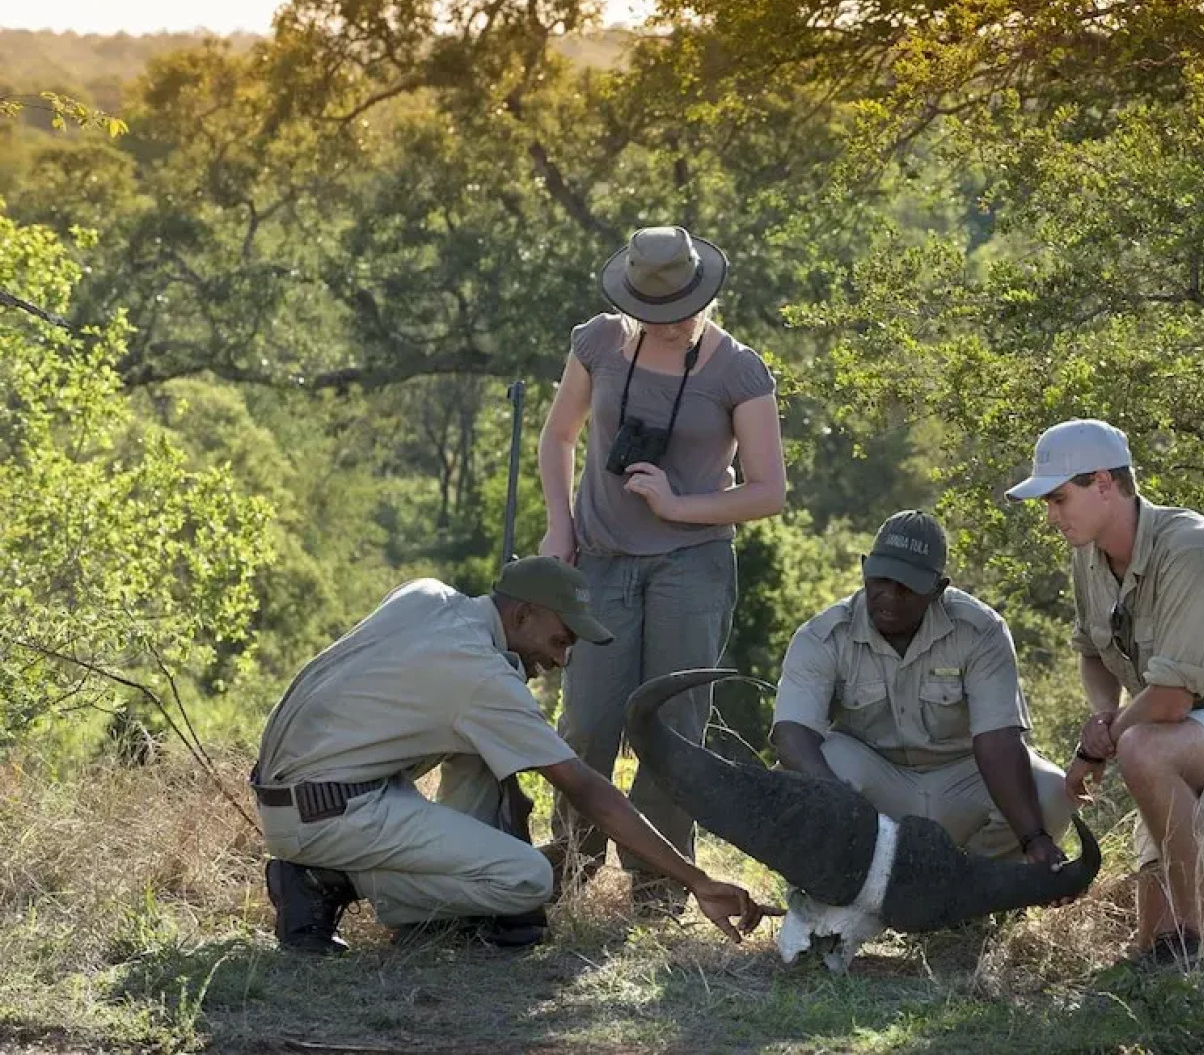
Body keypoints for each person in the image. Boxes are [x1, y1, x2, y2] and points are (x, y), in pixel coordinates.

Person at [253, 556, 778, 955]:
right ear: (523, 613)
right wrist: (696, 879)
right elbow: (587, 789)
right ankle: (325, 880)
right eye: (560, 637)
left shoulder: (425, 594)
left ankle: (418, 891)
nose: (560, 658)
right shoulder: (481, 676)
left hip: (307, 792)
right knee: (527, 882)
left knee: (481, 753)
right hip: (330, 813)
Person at [1005, 419, 1204, 967]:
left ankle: (1202, 944)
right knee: (1151, 944)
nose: (1051, 517)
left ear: (1104, 483)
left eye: (1058, 498)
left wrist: (1096, 747)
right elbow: (1090, 652)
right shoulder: (1088, 552)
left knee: (1144, 753)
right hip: (1176, 736)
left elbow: (1171, 699)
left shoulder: (1190, 549)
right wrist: (1104, 717)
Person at [536, 226, 786, 914]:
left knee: (673, 729)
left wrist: (680, 505)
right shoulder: (597, 343)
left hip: (692, 563)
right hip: (602, 559)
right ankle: (569, 877)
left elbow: (768, 491)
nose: (668, 319)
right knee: (586, 722)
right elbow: (559, 436)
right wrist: (560, 527)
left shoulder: (738, 369)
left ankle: (660, 891)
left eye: (679, 304)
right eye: (652, 307)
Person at [771, 510, 1075, 868]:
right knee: (813, 771)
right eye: (881, 579)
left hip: (963, 776)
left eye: (908, 586)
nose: (891, 596)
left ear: (937, 588)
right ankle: (854, 888)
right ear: (865, 568)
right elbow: (792, 735)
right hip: (876, 788)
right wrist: (839, 802)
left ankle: (971, 888)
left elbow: (998, 741)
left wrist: (1034, 837)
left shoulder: (980, 631)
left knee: (1053, 792)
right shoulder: (823, 636)